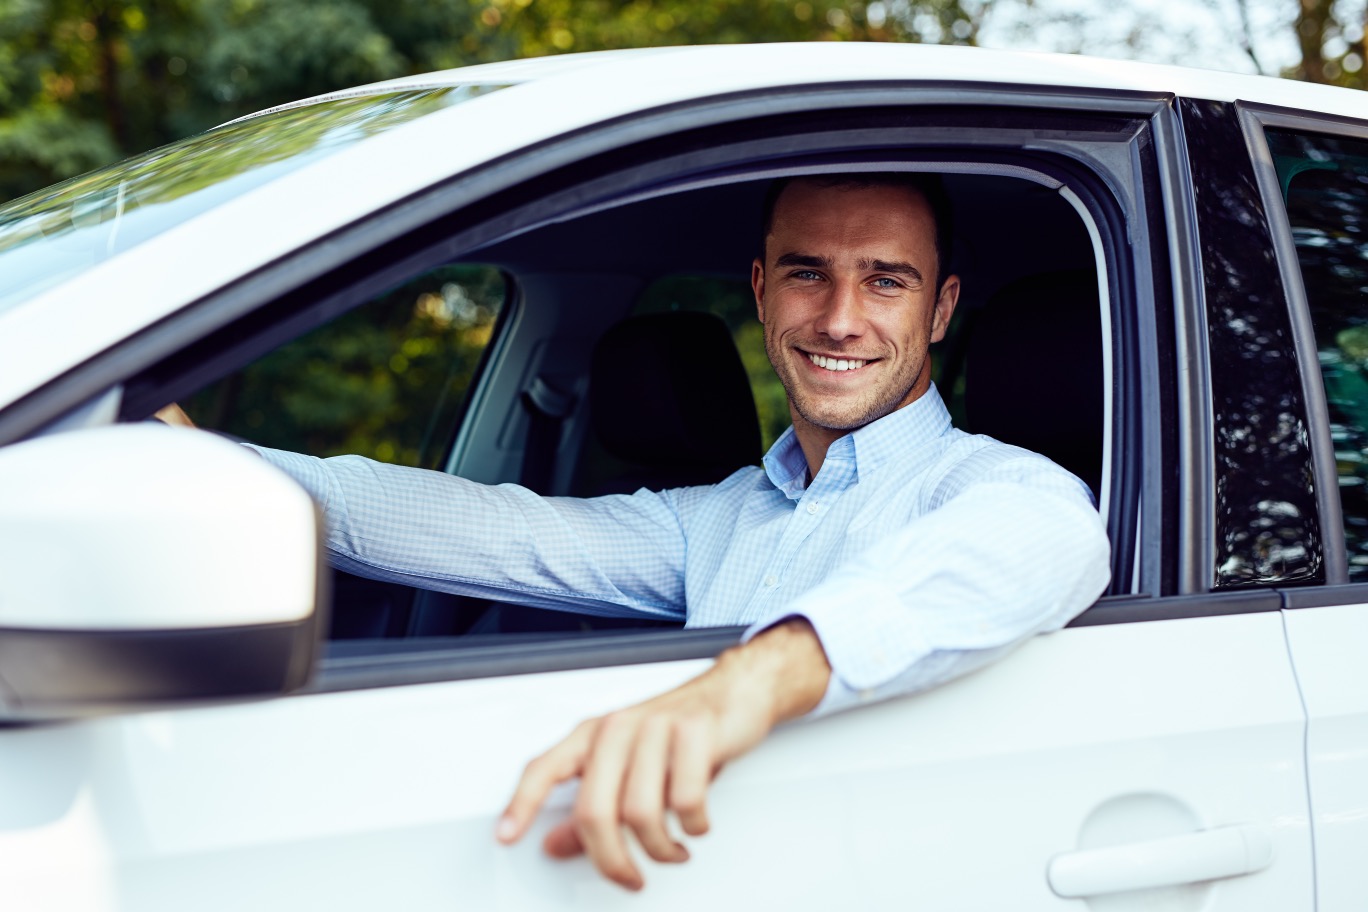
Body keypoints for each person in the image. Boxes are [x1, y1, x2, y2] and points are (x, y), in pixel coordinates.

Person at [162, 172, 1110, 891]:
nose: (840, 317)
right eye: (807, 274)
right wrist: (189, 461)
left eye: (887, 282)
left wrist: (730, 690)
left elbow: (1045, 542)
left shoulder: (1002, 488)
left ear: (941, 308)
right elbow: (480, 527)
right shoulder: (722, 516)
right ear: (762, 289)